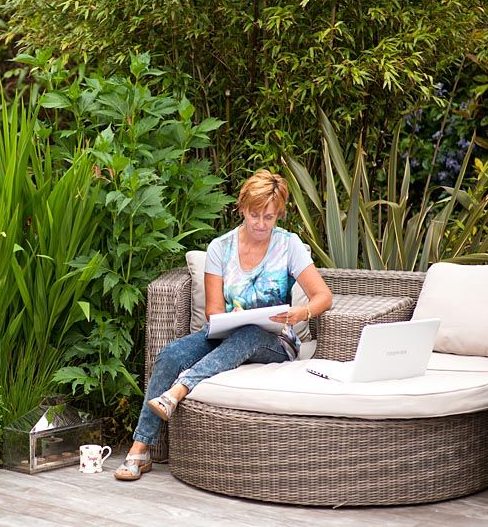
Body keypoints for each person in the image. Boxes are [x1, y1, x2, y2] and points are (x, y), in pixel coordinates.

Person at [114, 169, 333, 481]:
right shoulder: (221, 247)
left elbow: (323, 296)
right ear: (242, 208)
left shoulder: (289, 245)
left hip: (274, 343)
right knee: (169, 356)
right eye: (255, 215)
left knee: (252, 332)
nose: (261, 224)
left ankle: (179, 389)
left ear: (278, 216)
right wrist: (225, 321)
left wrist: (301, 313)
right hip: (226, 334)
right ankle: (141, 448)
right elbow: (214, 313)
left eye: (269, 217)